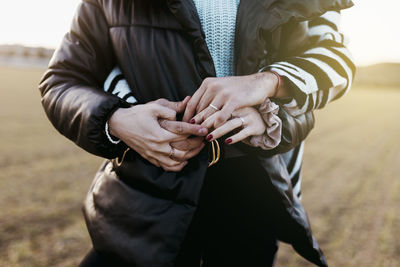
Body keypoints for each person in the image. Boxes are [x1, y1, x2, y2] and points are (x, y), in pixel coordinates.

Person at [39, 0, 355, 266]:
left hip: (256, 192)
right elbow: (62, 81)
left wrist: (269, 87)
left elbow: (337, 65)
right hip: (147, 188)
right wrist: (118, 120)